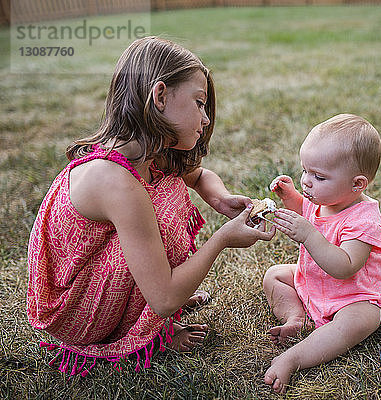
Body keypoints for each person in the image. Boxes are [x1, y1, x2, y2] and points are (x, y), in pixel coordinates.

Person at [27, 36, 275, 376]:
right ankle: (144, 333)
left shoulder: (145, 152)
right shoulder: (114, 181)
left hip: (100, 287)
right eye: (199, 103)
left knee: (169, 185)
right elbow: (165, 299)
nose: (204, 119)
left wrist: (218, 198)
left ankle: (141, 310)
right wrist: (222, 239)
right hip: (76, 313)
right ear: (159, 96)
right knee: (161, 206)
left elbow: (198, 174)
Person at [262, 114, 381, 393]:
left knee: (357, 322)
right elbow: (306, 210)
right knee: (274, 275)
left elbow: (346, 266)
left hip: (355, 295)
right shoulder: (325, 198)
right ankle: (296, 317)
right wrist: (290, 197)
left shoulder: (365, 220)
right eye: (305, 170)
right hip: (316, 283)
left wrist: (308, 235)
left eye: (319, 176)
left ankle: (293, 358)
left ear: (357, 184)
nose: (307, 181)